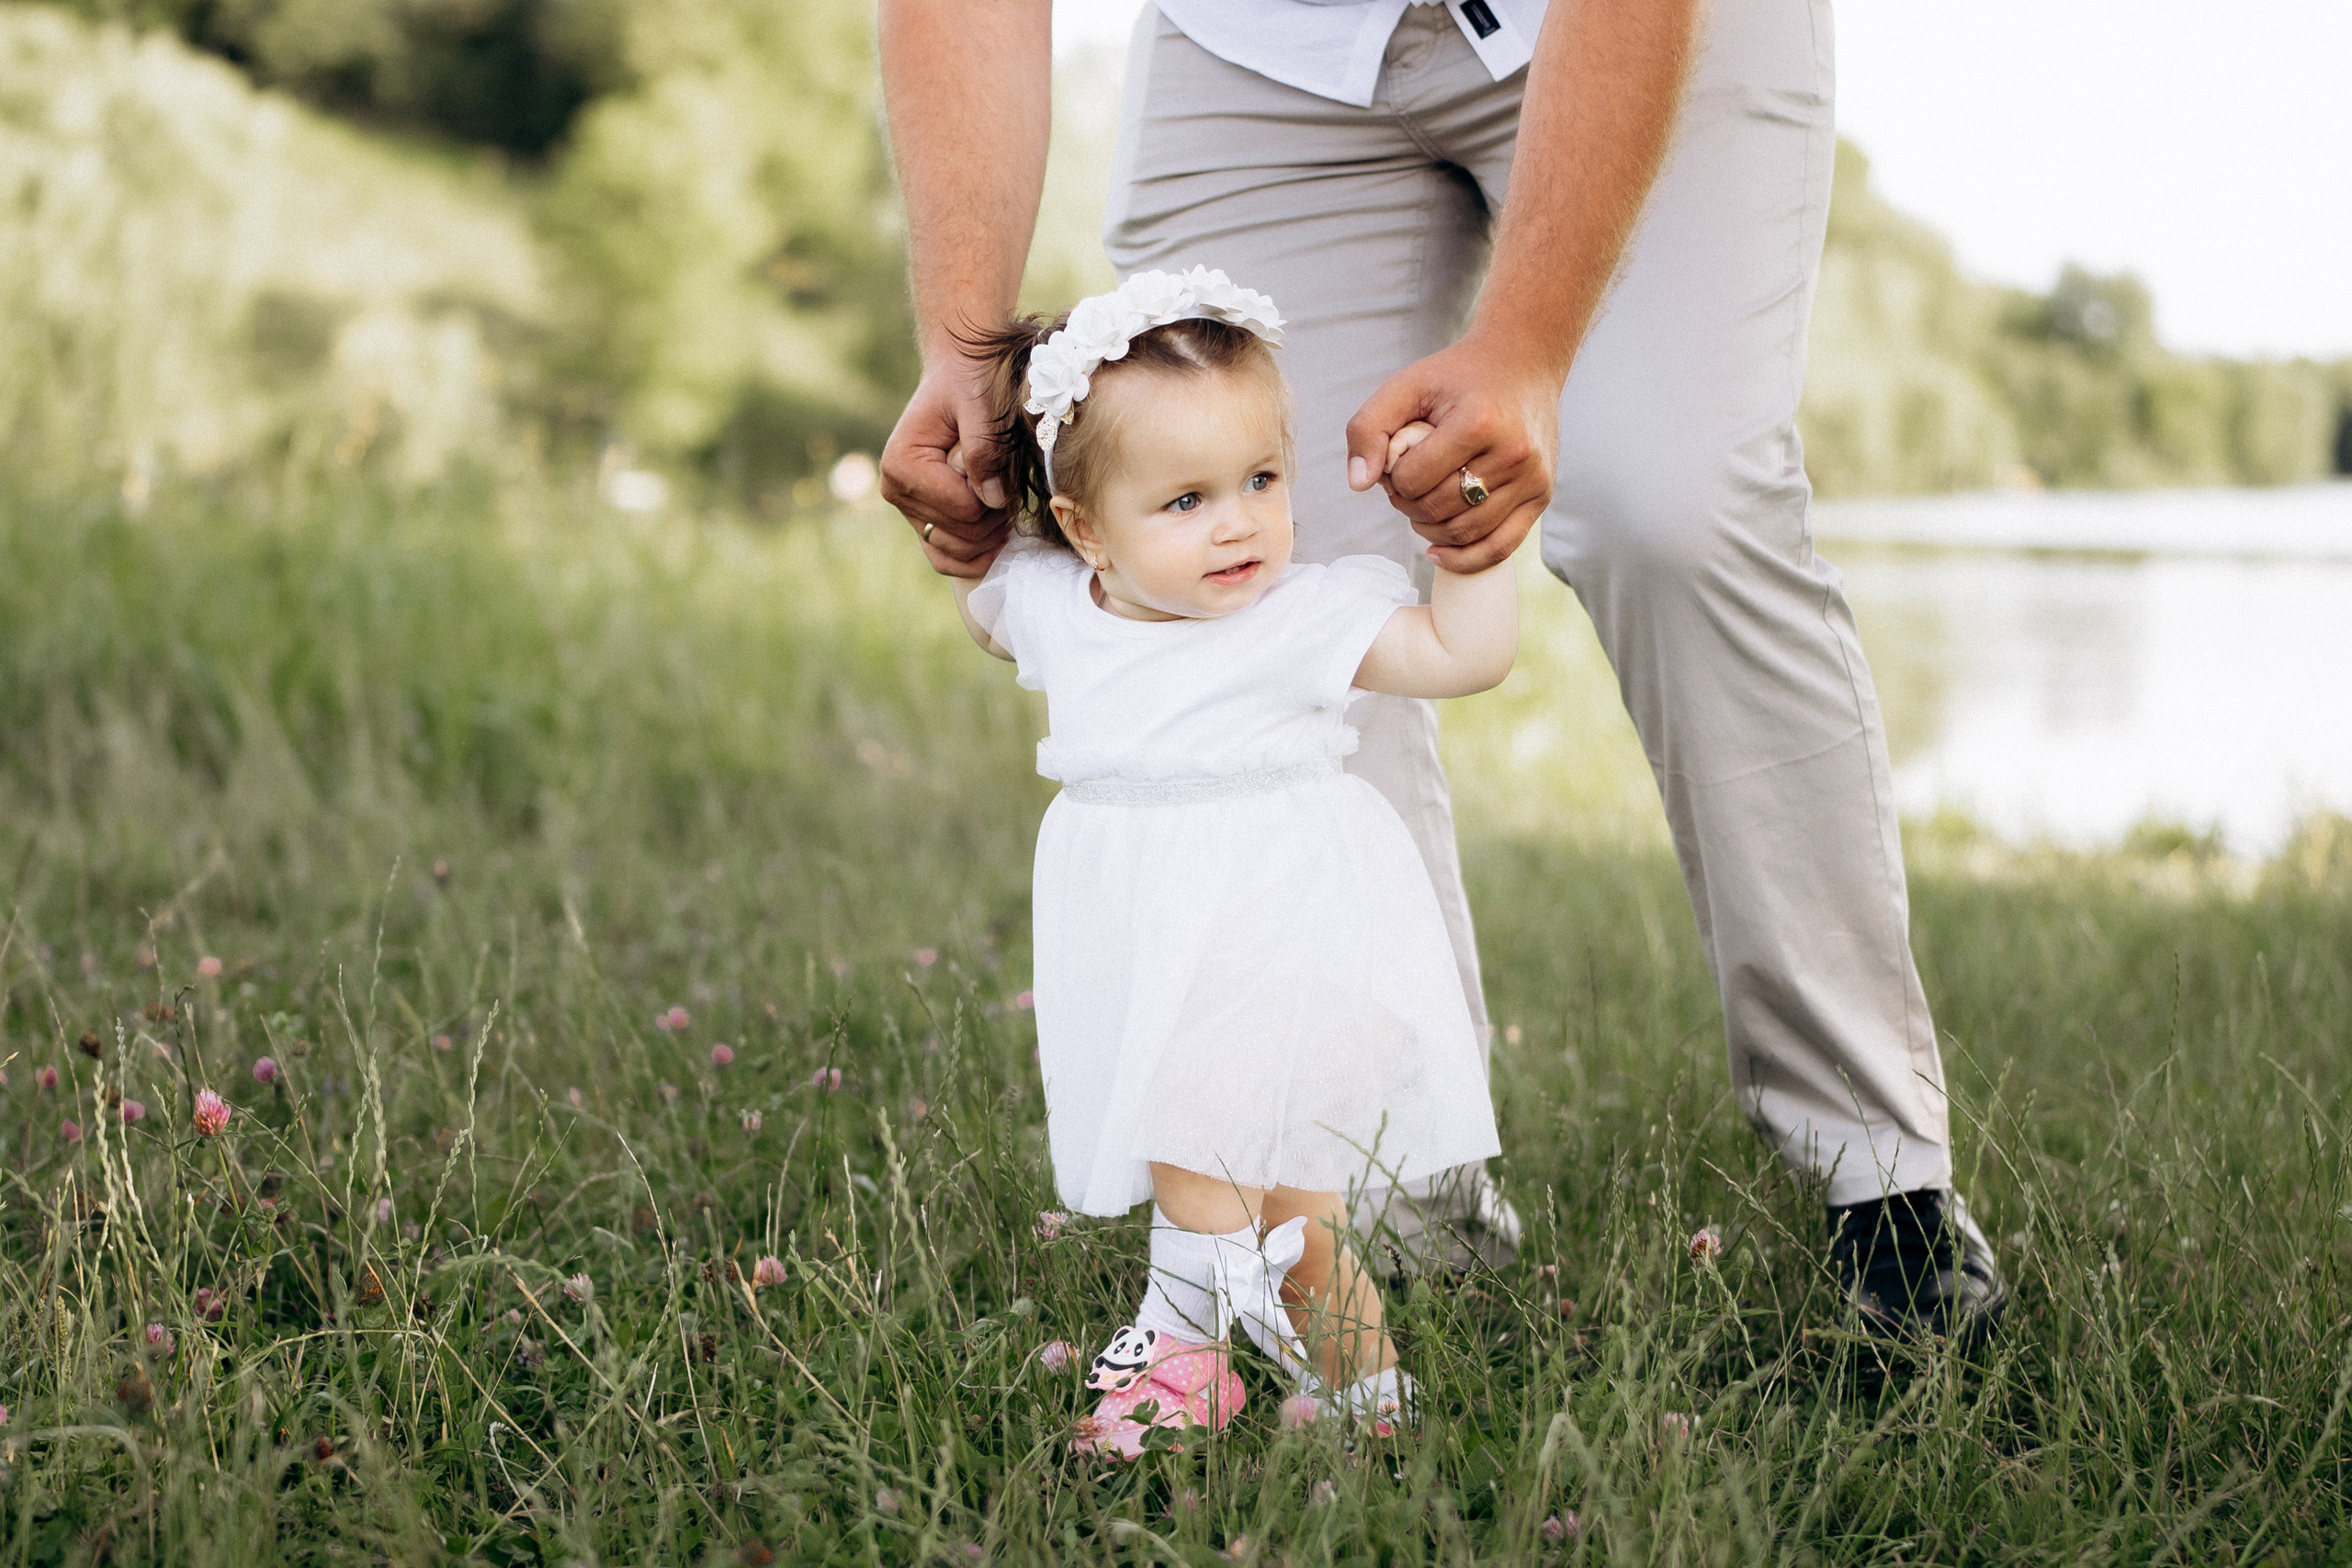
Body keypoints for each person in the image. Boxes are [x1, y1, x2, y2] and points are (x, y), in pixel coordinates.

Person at [878, 0, 2005, 1346]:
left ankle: (1882, 1179)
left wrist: (1526, 351)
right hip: (1261, 48)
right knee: (1246, 581)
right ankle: (1391, 1185)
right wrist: (963, 349)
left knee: (1674, 511)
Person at [949, 266, 1516, 1455]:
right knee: (1299, 1217)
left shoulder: (1301, 618)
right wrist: (983, 472)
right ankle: (1375, 1417)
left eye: (1262, 480)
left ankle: (1176, 1366)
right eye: (1187, 499)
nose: (1239, 521)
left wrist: (1475, 541)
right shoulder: (1057, 607)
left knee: (1205, 1179)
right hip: (1157, 956)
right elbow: (978, 578)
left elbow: (1463, 657)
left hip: (1292, 944)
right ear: (1089, 529)